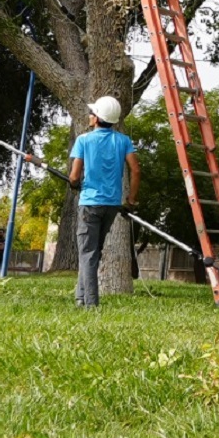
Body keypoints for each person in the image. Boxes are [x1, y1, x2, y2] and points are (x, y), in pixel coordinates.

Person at [65, 96, 138, 309]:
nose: (90, 116)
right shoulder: (123, 141)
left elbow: (75, 176)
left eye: (92, 113)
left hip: (90, 204)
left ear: (97, 118)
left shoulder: (84, 140)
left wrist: (73, 183)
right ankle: (80, 297)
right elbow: (136, 169)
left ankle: (91, 304)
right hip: (112, 205)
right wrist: (131, 199)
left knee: (87, 253)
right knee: (93, 252)